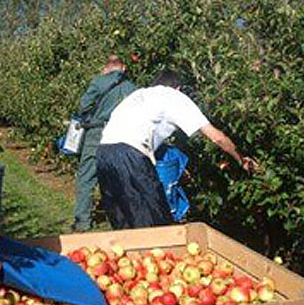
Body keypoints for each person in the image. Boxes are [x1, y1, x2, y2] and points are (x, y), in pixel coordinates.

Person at [96, 69, 257, 230]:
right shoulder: (174, 97)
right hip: (129, 157)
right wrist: (240, 159)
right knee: (153, 224)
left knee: (123, 223)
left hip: (103, 155)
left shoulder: (138, 95)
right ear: (178, 88)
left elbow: (141, 134)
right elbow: (217, 137)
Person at [71, 55, 137, 231]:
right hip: (121, 134)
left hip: (97, 132)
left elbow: (83, 107)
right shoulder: (132, 88)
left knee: (87, 177)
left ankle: (83, 220)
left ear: (106, 68)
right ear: (123, 68)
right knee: (119, 175)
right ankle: (121, 218)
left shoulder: (98, 82)